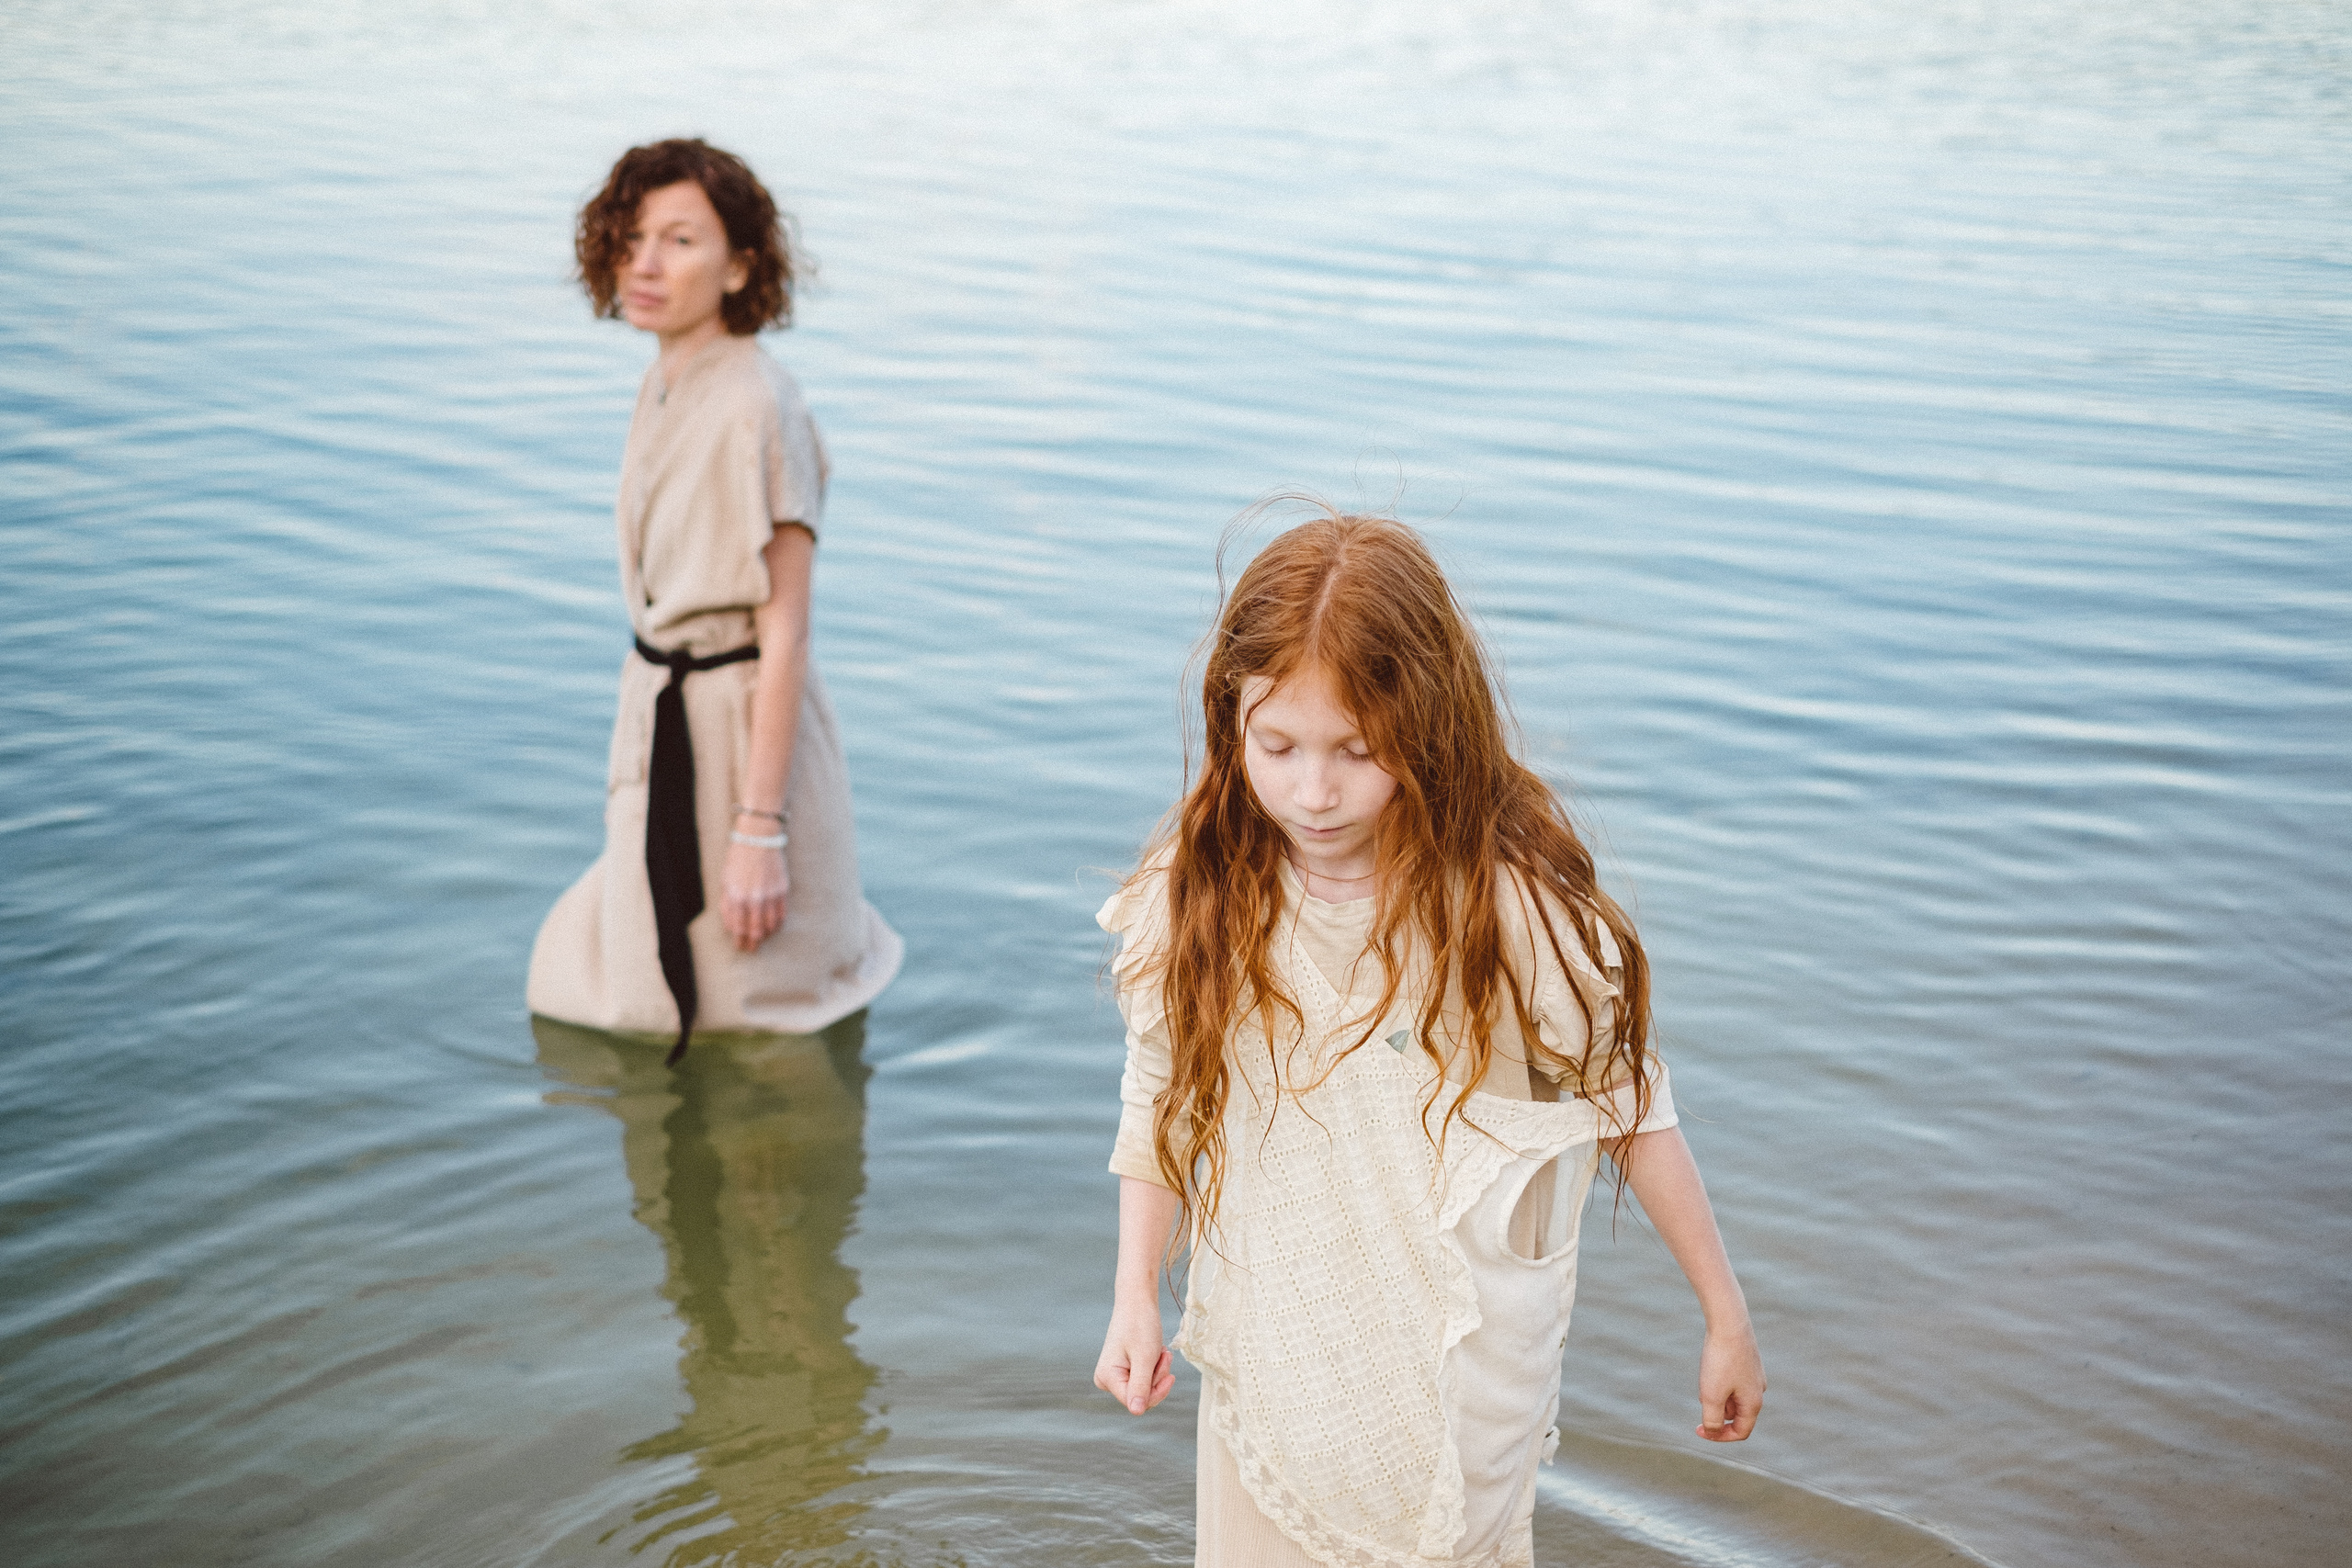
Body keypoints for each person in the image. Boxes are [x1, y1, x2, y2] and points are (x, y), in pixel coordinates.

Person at [1091, 509, 1765, 1566]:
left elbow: (1626, 1099)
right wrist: (1134, 1294)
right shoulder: (1210, 879)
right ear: (1231, 720)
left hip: (1446, 1370)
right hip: (1283, 1340)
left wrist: (1723, 1313)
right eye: (1276, 747)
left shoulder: (1500, 903)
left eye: (1356, 752)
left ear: (1427, 724)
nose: (1311, 792)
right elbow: (1160, 1092)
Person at [528, 139, 900, 1063]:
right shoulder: (665, 379)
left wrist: (758, 830)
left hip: (738, 735)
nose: (644, 264)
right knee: (633, 987)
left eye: (680, 240)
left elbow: (786, 631)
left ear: (740, 266)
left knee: (758, 1006)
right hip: (667, 708)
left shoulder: (756, 404)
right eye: (632, 237)